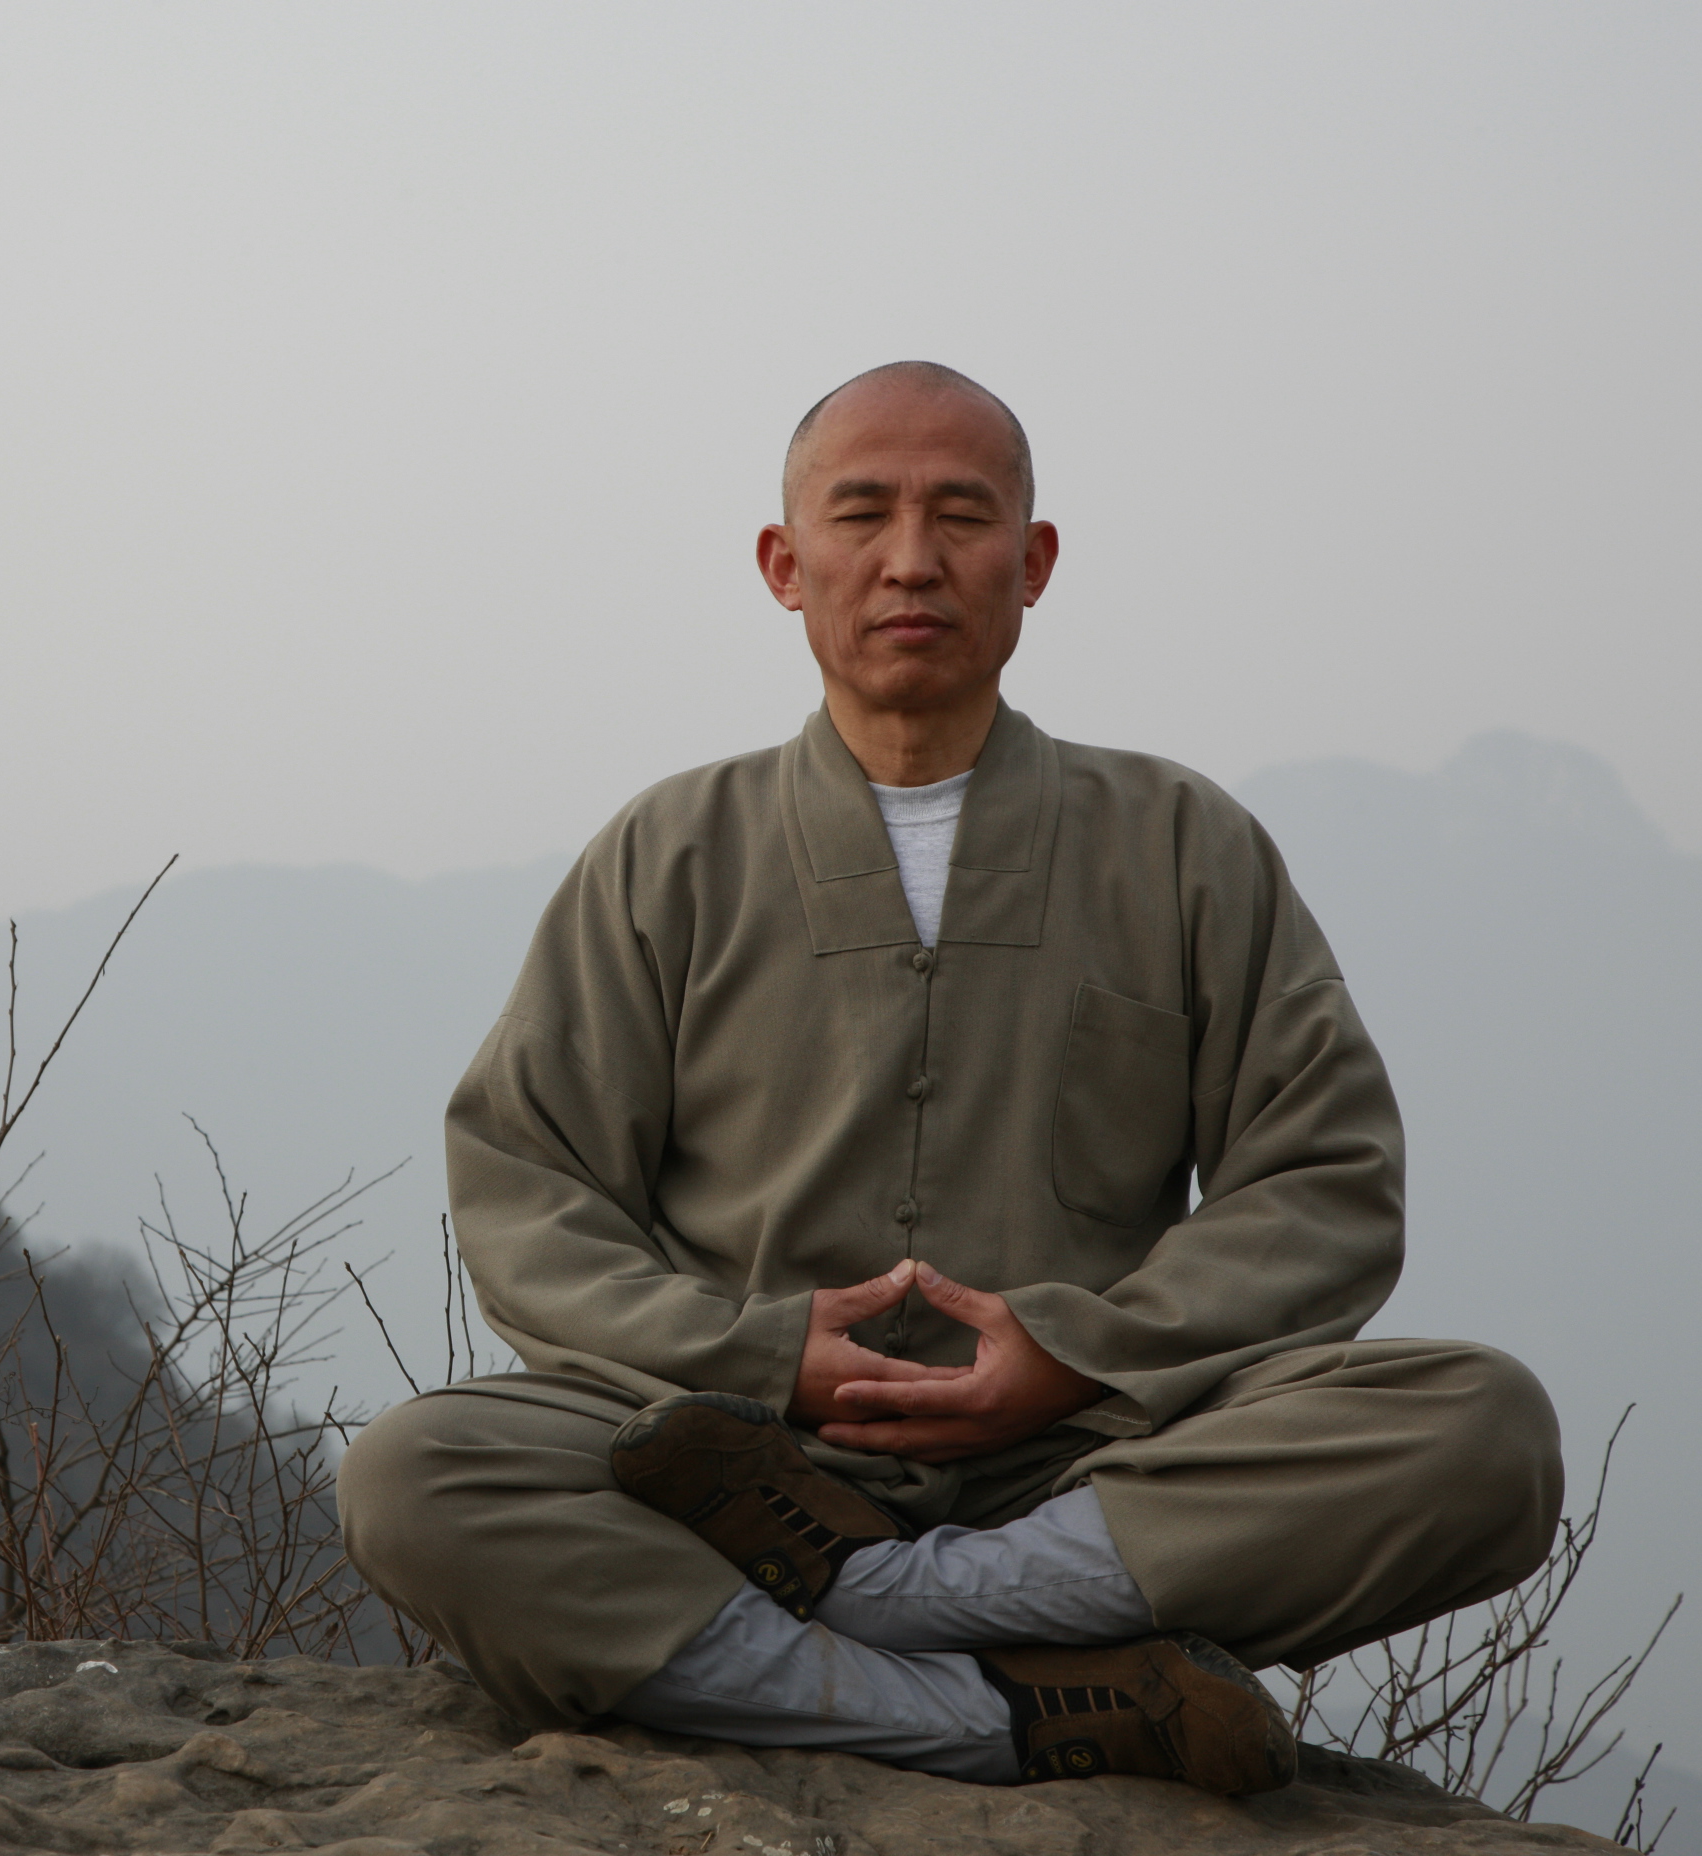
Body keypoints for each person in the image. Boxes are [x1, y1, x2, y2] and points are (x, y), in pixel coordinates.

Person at [336, 361, 1563, 1795]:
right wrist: (757, 1357)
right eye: (862, 515)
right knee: (415, 1475)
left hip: (1087, 1469)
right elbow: (528, 1186)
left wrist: (1079, 1353)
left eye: (962, 517)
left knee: (1485, 1432)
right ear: (784, 566)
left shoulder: (1180, 843)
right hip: (735, 1469)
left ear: (1032, 564)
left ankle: (871, 1606)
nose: (911, 560)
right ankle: (1013, 1718)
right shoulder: (670, 853)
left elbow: (1325, 1182)